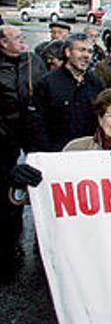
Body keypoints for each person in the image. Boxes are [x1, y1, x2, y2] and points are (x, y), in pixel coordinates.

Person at [0, 26, 46, 273]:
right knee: (9, 195)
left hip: (32, 133)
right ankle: (11, 246)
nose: (22, 41)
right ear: (2, 43)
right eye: (17, 38)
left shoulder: (32, 60)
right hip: (5, 138)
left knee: (40, 186)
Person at [32, 33, 105, 152]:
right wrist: (48, 151)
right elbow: (36, 123)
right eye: (82, 50)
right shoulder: (47, 83)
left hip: (89, 152)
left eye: (90, 51)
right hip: (57, 153)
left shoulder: (96, 83)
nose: (87, 55)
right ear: (68, 52)